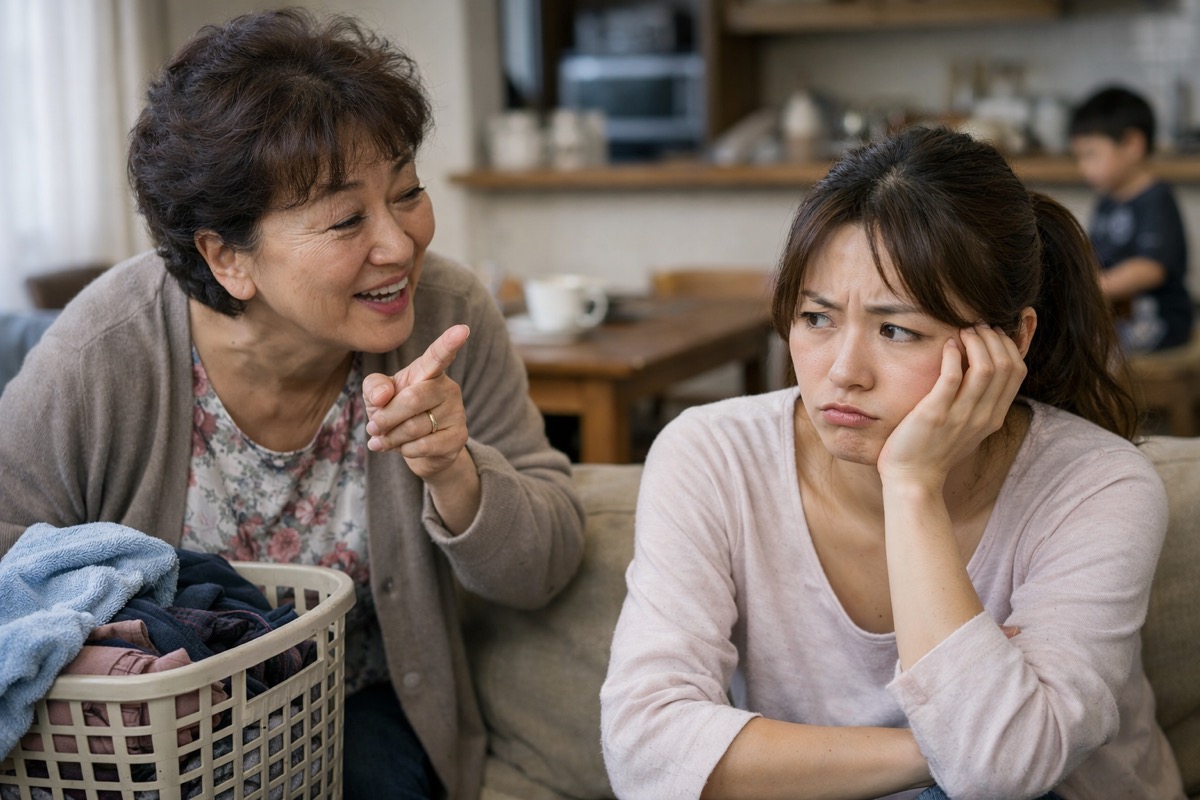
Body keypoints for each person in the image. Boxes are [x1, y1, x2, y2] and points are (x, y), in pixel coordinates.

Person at [0, 8, 585, 800]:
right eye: (347, 219)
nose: (400, 243)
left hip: (362, 705)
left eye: (407, 193)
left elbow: (544, 568)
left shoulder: (449, 311)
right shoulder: (104, 353)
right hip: (167, 738)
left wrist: (457, 472)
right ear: (226, 256)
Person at [600, 126, 1184, 799]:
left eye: (897, 330)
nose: (843, 373)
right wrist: (935, 746)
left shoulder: (1098, 486)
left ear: (1012, 339)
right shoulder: (711, 454)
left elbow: (1001, 772)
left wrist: (911, 486)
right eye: (816, 318)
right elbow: (643, 754)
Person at [1068, 84, 1193, 353]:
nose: (1083, 167)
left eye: (1091, 154)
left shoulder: (1156, 199)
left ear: (1132, 145)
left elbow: (1151, 268)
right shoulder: (1106, 201)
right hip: (1119, 317)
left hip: (1158, 321)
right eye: (1079, 157)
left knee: (1087, 352)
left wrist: (1092, 288)